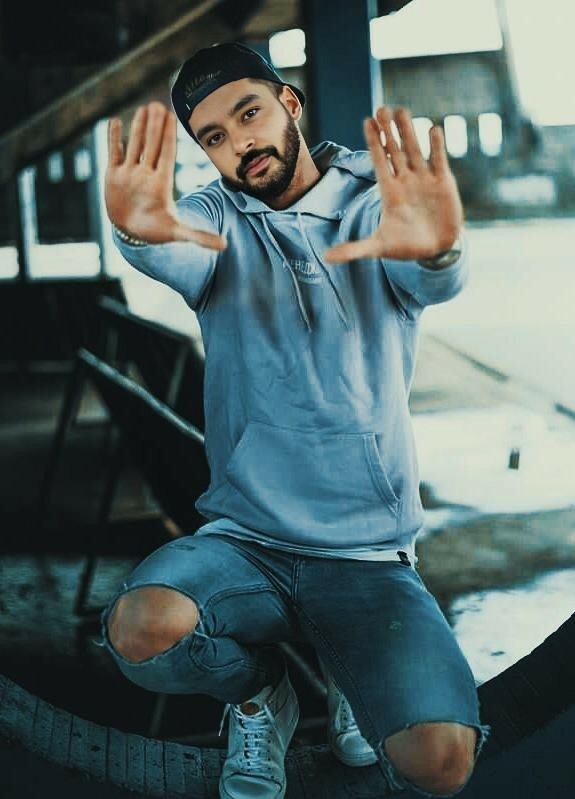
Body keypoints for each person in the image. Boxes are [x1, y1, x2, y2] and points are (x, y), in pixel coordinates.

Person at [102, 42, 488, 799]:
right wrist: (141, 233)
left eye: (248, 113)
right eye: (214, 136)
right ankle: (259, 696)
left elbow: (425, 269)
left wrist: (440, 251)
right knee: (142, 629)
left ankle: (351, 674)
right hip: (245, 543)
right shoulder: (216, 218)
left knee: (440, 762)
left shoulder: (372, 205)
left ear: (289, 103)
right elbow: (175, 243)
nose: (238, 142)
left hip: (367, 555)